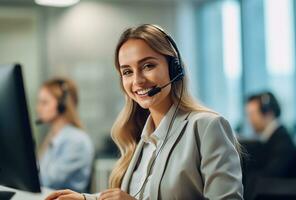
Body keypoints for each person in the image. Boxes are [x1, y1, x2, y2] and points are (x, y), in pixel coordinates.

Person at [45, 24, 243, 200]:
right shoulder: (143, 137)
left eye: (148, 65)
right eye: (127, 72)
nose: (137, 81)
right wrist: (86, 199)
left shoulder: (207, 126)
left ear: (174, 69)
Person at [37, 78, 94, 192]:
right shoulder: (54, 137)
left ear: (62, 106)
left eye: (44, 102)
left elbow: (47, 181)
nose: (38, 108)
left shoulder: (76, 140)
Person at [243, 91, 296, 199]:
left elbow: (271, 176)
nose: (249, 120)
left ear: (268, 112)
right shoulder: (269, 139)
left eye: (252, 114)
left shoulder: (282, 141)